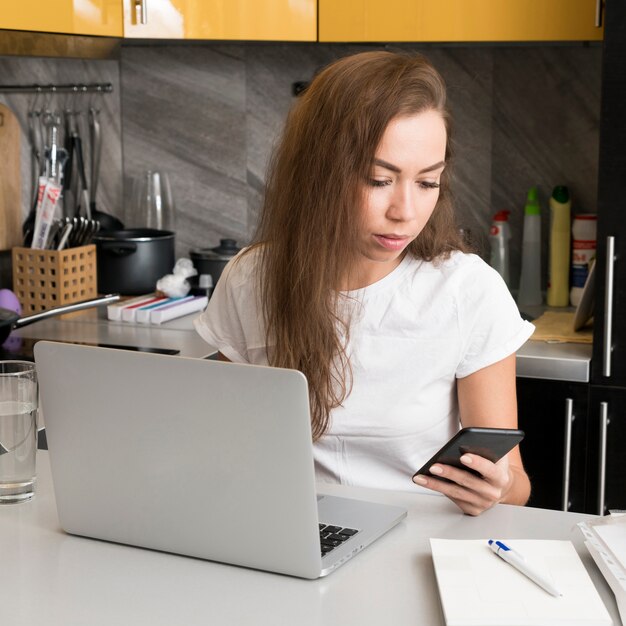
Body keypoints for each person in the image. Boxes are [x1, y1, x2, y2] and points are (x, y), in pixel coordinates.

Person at [194, 50, 535, 516]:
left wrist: (495, 488)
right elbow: (216, 437)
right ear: (319, 174)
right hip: (283, 530)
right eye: (379, 180)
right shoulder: (251, 279)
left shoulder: (468, 291)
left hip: (420, 541)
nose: (405, 212)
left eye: (427, 183)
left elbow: (516, 485)